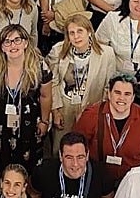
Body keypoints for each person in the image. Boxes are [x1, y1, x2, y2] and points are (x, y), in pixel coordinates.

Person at [0, 24, 53, 181]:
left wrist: (45, 121)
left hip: (29, 123)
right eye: (7, 41)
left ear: (26, 43)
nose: (13, 45)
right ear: (2, 47)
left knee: (28, 167)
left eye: (17, 40)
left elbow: (45, 96)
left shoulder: (40, 66)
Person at [72, 73, 140, 184]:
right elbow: (75, 147)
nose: (122, 98)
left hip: (130, 181)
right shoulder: (91, 115)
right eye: (117, 93)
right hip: (96, 180)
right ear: (109, 94)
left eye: (127, 94)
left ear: (133, 97)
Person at [48, 14, 117, 142]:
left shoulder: (107, 53)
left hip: (91, 107)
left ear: (89, 32)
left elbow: (108, 86)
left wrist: (100, 112)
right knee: (61, 145)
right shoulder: (58, 50)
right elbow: (53, 82)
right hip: (65, 105)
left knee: (87, 145)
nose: (76, 36)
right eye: (71, 33)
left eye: (80, 31)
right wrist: (55, 111)